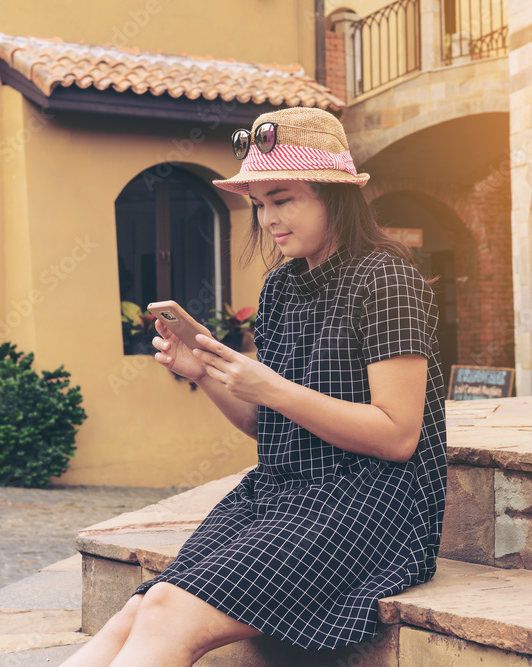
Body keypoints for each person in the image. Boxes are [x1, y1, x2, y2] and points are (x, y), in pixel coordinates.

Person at [63, 106, 447, 667]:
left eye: (283, 198)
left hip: (373, 502)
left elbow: (398, 436)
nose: (268, 219)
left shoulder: (386, 277)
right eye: (259, 203)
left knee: (170, 610)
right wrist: (205, 375)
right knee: (140, 609)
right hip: (282, 491)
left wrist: (270, 387)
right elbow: (263, 426)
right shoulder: (280, 289)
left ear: (332, 195)